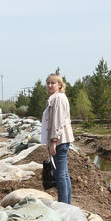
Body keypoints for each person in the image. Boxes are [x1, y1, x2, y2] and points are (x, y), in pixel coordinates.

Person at [41, 73, 74, 204]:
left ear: (60, 85)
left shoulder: (58, 99)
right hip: (62, 139)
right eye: (48, 83)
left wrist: (54, 141)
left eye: (53, 83)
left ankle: (63, 206)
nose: (49, 85)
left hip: (60, 140)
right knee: (63, 174)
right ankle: (67, 204)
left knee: (60, 175)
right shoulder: (56, 98)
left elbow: (57, 121)